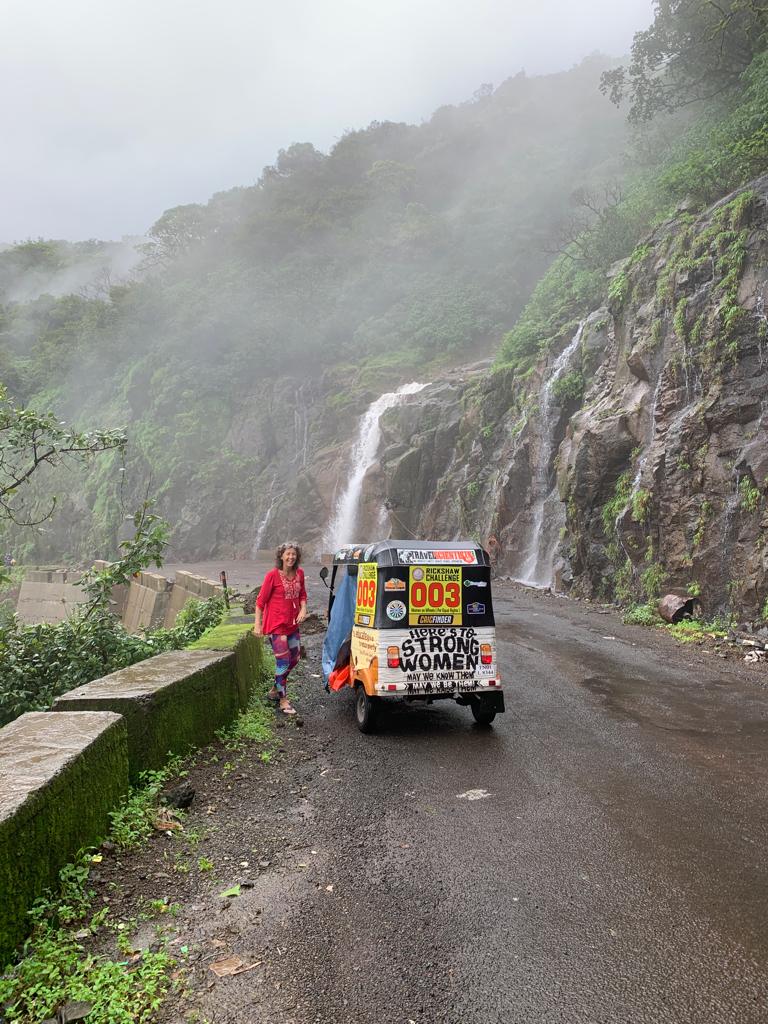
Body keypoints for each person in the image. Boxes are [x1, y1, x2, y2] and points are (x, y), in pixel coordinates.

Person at [254, 542, 308, 715]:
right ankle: (283, 700)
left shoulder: (300, 573)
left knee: (295, 658)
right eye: (288, 554)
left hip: (292, 624)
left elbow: (302, 595)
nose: (291, 557)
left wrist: (303, 609)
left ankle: (275, 688)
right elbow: (260, 602)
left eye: (293, 554)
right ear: (281, 556)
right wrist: (258, 625)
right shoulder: (272, 576)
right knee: (283, 662)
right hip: (276, 626)